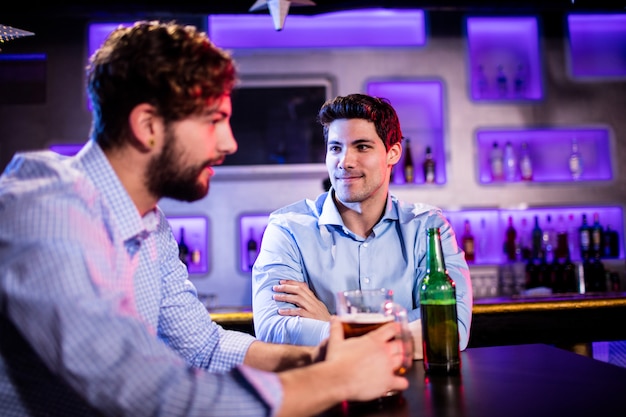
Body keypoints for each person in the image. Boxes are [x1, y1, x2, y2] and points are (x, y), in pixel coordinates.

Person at [0, 22, 409, 417]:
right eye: (214, 120)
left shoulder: (150, 225)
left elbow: (205, 347)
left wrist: (319, 355)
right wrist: (336, 378)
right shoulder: (47, 210)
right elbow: (158, 397)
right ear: (148, 126)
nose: (229, 142)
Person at [252, 93, 473, 354]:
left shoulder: (428, 228)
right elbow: (273, 329)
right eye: (335, 148)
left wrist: (334, 326)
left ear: (393, 153)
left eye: (362, 146)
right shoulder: (287, 229)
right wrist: (395, 333)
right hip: (326, 393)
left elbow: (450, 329)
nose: (345, 162)